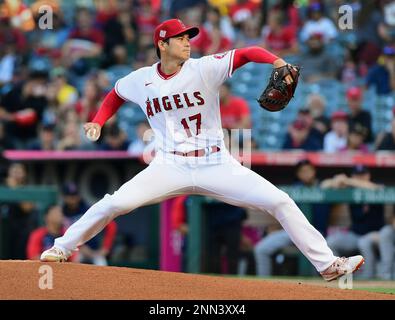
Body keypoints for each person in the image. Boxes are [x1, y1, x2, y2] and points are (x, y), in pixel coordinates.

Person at [40, 18, 363, 282]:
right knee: (114, 203)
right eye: (180, 38)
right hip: (169, 165)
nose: (187, 41)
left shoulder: (205, 68)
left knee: (280, 200)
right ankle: (61, 248)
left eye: (188, 36)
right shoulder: (140, 79)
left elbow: (248, 51)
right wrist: (97, 121)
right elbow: (115, 94)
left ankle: (327, 265)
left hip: (216, 162)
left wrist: (278, 62)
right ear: (162, 44)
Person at [322, 165, 385, 279]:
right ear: (353, 176)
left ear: (368, 175)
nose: (360, 178)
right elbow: (323, 186)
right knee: (331, 241)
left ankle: (367, 279)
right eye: (357, 175)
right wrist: (337, 180)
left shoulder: (374, 186)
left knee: (364, 242)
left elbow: (376, 188)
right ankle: (341, 274)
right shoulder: (351, 189)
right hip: (355, 235)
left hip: (375, 234)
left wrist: (349, 180)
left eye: (363, 175)